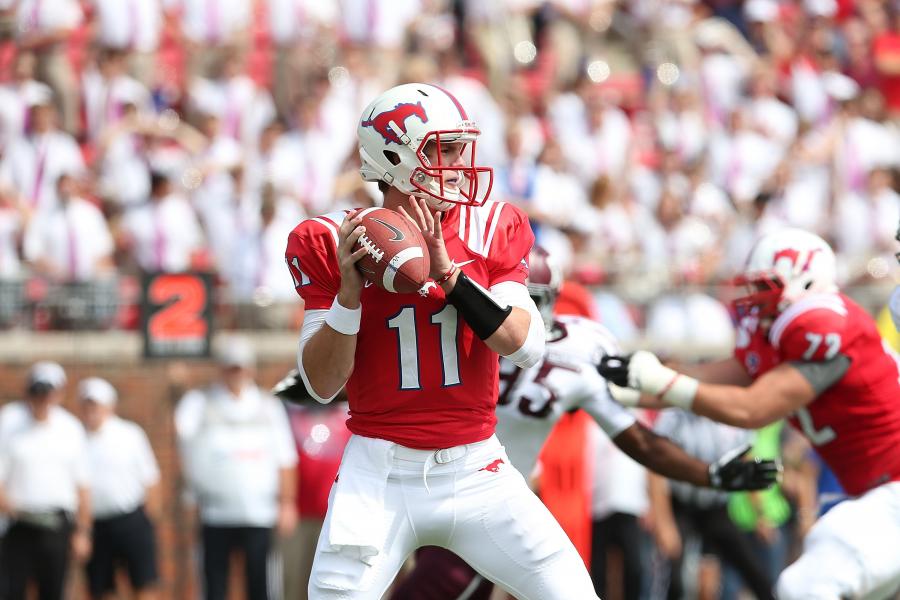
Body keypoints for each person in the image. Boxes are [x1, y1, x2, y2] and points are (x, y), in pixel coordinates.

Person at [284, 82, 595, 599]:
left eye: (458, 149)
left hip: (475, 466)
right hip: (378, 472)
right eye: (442, 150)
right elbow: (320, 385)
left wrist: (452, 278)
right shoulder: (331, 240)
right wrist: (349, 294)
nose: (457, 164)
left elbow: (524, 346)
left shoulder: (493, 225)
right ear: (394, 156)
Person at [388, 246, 779, 600]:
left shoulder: (579, 349)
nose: (508, 313)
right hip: (416, 482)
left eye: (526, 300)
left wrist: (706, 474)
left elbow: (636, 438)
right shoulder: (452, 328)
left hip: (488, 503)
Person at [600, 227, 900, 599]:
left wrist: (660, 382)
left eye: (766, 287)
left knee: (806, 584)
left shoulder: (827, 327)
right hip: (874, 490)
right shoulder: (782, 337)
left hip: (892, 489)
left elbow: (751, 409)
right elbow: (707, 379)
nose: (755, 299)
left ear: (805, 283)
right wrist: (626, 386)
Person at [175, 337, 298, 600]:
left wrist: (287, 502)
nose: (236, 375)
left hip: (259, 512)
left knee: (260, 585)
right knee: (214, 585)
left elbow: (285, 458)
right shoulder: (201, 403)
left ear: (250, 370)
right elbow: (183, 444)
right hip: (215, 512)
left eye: (240, 368)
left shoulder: (268, 405)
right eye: (231, 368)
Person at [0, 361, 92, 600]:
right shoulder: (10, 420)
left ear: (59, 393)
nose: (42, 399)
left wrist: (82, 531)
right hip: (18, 523)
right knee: (12, 590)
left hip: (56, 524)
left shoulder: (70, 428)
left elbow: (82, 485)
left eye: (47, 392)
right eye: (37, 392)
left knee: (53, 590)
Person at [79, 377, 160, 600]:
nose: (91, 411)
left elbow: (151, 479)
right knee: (103, 589)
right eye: (87, 405)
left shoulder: (129, 434)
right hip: (96, 525)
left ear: (109, 406)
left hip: (131, 519)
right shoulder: (76, 438)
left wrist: (148, 519)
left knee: (144, 584)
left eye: (96, 405)